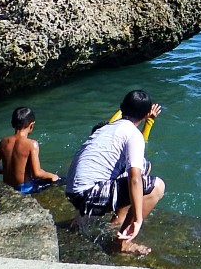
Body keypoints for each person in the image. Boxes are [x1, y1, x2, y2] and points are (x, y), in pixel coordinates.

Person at [64, 90, 166, 256]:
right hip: (88, 196)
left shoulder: (105, 128)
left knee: (141, 168)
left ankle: (84, 219)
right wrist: (138, 219)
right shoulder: (134, 135)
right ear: (148, 114)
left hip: (73, 192)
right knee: (156, 186)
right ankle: (122, 243)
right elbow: (134, 179)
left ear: (121, 108)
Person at [0, 107, 62, 193]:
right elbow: (37, 173)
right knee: (60, 181)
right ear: (32, 125)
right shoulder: (32, 144)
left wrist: (9, 171)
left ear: (13, 123)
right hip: (25, 189)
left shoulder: (4, 141)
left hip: (9, 187)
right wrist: (52, 176)